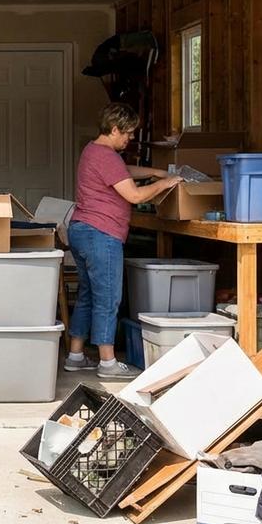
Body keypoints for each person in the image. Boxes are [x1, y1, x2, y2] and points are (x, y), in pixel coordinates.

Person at [65, 103, 181, 380]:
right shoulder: (106, 156)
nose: (130, 138)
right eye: (127, 133)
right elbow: (135, 196)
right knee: (107, 298)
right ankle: (108, 363)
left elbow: (122, 170)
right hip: (101, 234)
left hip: (82, 229)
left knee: (88, 295)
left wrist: (154, 172)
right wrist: (165, 183)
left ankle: (75, 355)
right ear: (114, 129)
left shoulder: (93, 150)